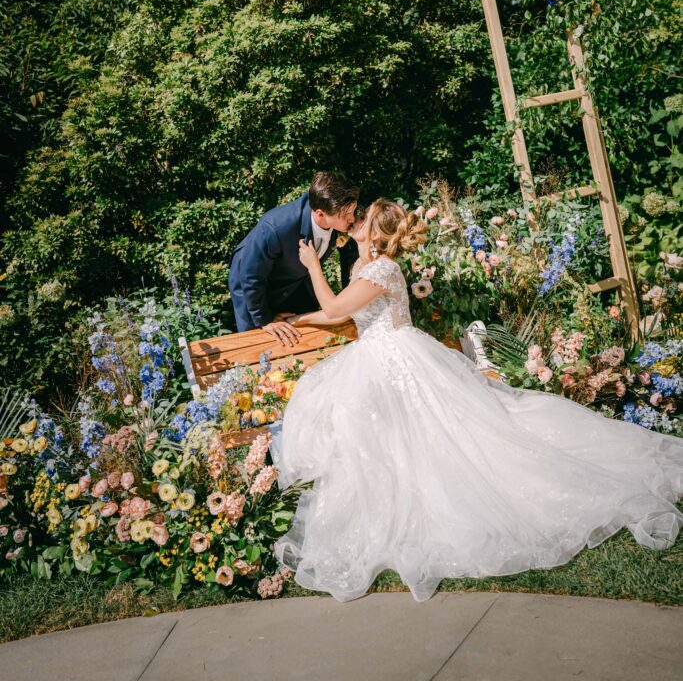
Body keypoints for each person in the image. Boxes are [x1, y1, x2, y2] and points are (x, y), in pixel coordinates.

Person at [273, 198, 683, 603]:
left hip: (399, 357)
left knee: (445, 434)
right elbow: (336, 314)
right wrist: (297, 319)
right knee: (386, 431)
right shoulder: (363, 267)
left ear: (376, 232)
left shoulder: (384, 268)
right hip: (377, 357)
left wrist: (312, 267)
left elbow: (334, 304)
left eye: (361, 218)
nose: (354, 221)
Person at [228, 171, 361, 346]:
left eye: (353, 210)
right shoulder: (276, 227)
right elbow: (250, 274)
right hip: (252, 286)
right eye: (346, 215)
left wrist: (350, 297)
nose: (352, 218)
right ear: (320, 214)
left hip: (296, 280)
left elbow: (351, 252)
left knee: (304, 338)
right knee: (261, 346)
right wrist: (265, 320)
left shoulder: (339, 208)